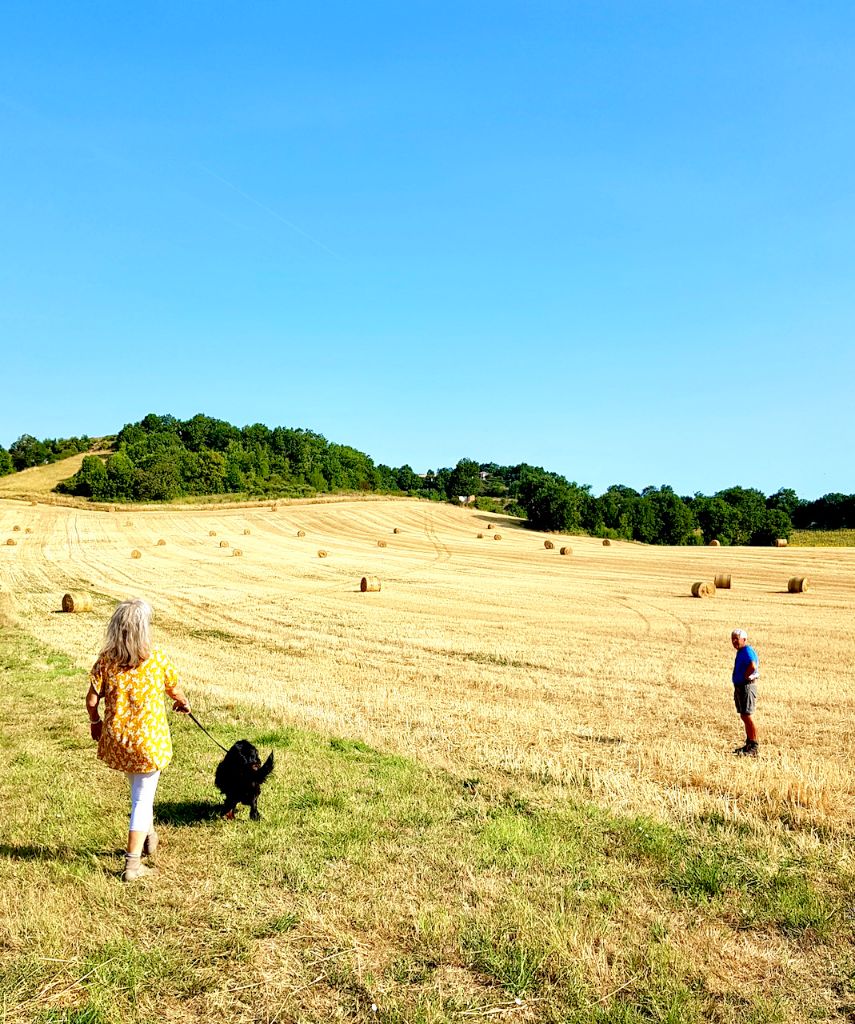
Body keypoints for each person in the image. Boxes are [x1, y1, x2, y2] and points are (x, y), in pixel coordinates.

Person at [85, 598, 190, 881]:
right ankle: (132, 864)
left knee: (139, 793)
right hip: (148, 742)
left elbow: (92, 700)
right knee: (142, 799)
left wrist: (95, 723)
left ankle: (149, 836)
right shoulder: (156, 660)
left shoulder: (106, 662)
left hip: (120, 741)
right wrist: (183, 704)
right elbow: (176, 691)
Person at [730, 628, 759, 757]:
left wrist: (746, 676)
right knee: (744, 715)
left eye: (737, 638)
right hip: (741, 686)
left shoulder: (747, 651)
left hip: (747, 687)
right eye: (733, 639)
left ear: (744, 639)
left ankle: (754, 746)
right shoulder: (741, 651)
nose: (734, 641)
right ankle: (748, 744)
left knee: (747, 716)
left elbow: (752, 665)